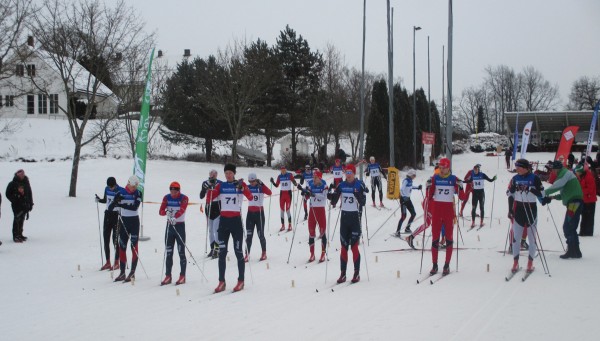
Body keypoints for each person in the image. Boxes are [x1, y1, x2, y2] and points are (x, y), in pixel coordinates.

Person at [208, 164, 253, 293]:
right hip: (223, 222)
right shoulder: (221, 185)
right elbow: (210, 198)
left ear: (234, 173)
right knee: (222, 252)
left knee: (238, 252)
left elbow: (250, 197)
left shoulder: (239, 184)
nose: (228, 175)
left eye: (230, 172)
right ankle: (221, 281)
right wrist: (209, 188)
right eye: (226, 172)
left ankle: (241, 280)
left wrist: (243, 188)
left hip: (235, 222)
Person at [424, 158, 464, 276]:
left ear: (448, 168)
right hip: (437, 213)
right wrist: (428, 187)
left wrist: (461, 187)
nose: (441, 170)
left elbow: (462, 197)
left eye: (443, 168)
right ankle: (434, 265)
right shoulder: (434, 178)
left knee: (449, 239)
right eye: (440, 168)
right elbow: (429, 196)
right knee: (435, 239)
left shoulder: (453, 179)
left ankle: (446, 265)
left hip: (448, 213)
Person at [507, 159, 545, 274]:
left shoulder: (535, 178)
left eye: (519, 167)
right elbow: (510, 194)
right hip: (518, 209)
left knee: (531, 238)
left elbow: (542, 194)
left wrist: (529, 189)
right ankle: (515, 262)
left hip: (531, 209)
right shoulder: (515, 178)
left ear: (525, 168)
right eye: (516, 167)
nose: (517, 169)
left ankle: (530, 262)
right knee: (515, 238)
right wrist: (510, 209)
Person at [330, 164, 366, 283]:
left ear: (354, 173)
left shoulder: (359, 184)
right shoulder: (341, 185)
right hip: (344, 218)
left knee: (354, 247)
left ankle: (356, 273)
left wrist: (358, 195)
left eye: (350, 172)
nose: (348, 174)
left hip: (354, 218)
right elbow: (334, 201)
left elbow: (363, 202)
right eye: (347, 172)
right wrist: (331, 196)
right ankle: (343, 274)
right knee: (343, 247)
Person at [544, 160, 584, 259]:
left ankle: (571, 250)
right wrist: (552, 198)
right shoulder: (565, 174)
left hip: (574, 203)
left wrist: (543, 193)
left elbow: (556, 186)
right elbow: (564, 194)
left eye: (553, 169)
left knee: (568, 226)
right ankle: (576, 251)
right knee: (571, 226)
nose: (552, 171)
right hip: (575, 202)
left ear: (556, 168)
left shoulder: (565, 174)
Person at [110, 175, 143, 282]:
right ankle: (122, 273)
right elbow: (111, 208)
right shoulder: (120, 193)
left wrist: (121, 204)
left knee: (134, 247)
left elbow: (135, 207)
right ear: (128, 183)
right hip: (123, 221)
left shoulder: (138, 193)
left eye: (136, 186)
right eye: (133, 186)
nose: (134, 188)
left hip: (134, 222)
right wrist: (116, 201)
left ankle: (132, 273)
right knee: (122, 246)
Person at [159, 181, 189, 286]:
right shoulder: (166, 197)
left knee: (181, 252)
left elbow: (182, 210)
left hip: (180, 226)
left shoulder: (184, 198)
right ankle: (168, 275)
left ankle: (182, 275)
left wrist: (174, 217)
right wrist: (167, 212)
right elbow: (160, 211)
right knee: (169, 252)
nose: (173, 192)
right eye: (171, 189)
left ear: (179, 190)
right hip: (170, 227)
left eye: (175, 190)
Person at [298, 170, 328, 262]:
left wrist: (313, 194)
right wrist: (304, 193)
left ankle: (323, 253)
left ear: (320, 178)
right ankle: (312, 254)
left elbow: (324, 197)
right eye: (313, 177)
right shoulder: (310, 184)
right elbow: (307, 195)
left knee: (322, 232)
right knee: (311, 232)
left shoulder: (324, 185)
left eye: (316, 178)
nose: (314, 179)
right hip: (312, 210)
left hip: (320, 210)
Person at [95, 177, 121, 270]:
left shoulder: (120, 190)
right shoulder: (106, 189)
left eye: (112, 187)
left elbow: (122, 202)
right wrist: (99, 200)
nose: (111, 188)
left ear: (115, 184)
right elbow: (105, 200)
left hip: (116, 215)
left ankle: (117, 261)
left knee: (115, 239)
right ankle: (108, 262)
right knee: (106, 238)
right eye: (109, 187)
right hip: (107, 215)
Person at [245, 173, 272, 262]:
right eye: (250, 181)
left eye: (253, 181)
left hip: (259, 213)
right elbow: (240, 191)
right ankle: (247, 254)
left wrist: (263, 184)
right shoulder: (248, 187)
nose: (252, 183)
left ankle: (264, 252)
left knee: (260, 234)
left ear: (256, 180)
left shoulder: (260, 187)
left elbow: (269, 192)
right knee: (249, 235)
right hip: (250, 214)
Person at [6, 169, 34, 242]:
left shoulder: (26, 183)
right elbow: (8, 194)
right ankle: (16, 236)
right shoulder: (12, 183)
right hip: (16, 205)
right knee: (17, 219)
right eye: (20, 174)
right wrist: (15, 198)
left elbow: (29, 194)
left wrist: (30, 203)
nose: (22, 175)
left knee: (22, 219)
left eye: (23, 174)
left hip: (25, 205)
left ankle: (20, 234)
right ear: (17, 175)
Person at [200, 170, 222, 259]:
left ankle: (217, 249)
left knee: (216, 229)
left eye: (214, 174)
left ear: (217, 175)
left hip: (217, 206)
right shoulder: (205, 182)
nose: (213, 176)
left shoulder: (220, 183)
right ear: (209, 175)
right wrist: (204, 188)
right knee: (210, 230)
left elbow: (220, 193)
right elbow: (201, 196)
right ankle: (212, 248)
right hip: (208, 206)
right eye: (211, 174)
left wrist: (213, 187)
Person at [270, 165, 297, 232]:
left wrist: (294, 182)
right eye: (282, 170)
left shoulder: (289, 175)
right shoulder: (279, 176)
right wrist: (272, 182)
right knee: (282, 210)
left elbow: (295, 183)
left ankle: (290, 225)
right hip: (282, 194)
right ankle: (283, 225)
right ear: (280, 170)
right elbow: (276, 185)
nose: (283, 171)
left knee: (287, 210)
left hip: (288, 194)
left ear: (286, 170)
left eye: (284, 170)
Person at [395, 169, 421, 235]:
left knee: (413, 214)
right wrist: (403, 198)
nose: (414, 177)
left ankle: (407, 228)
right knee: (403, 216)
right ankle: (397, 232)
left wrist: (418, 187)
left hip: (408, 199)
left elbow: (410, 187)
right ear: (410, 175)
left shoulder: (410, 181)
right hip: (404, 200)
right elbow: (401, 190)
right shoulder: (406, 180)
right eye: (414, 175)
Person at [575, 165, 596, 236]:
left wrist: (580, 191)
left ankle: (588, 233)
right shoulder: (580, 176)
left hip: (590, 200)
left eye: (576, 172)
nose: (576, 173)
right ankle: (582, 232)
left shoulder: (589, 177)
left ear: (580, 172)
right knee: (584, 216)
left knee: (589, 217)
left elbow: (590, 189)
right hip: (584, 199)